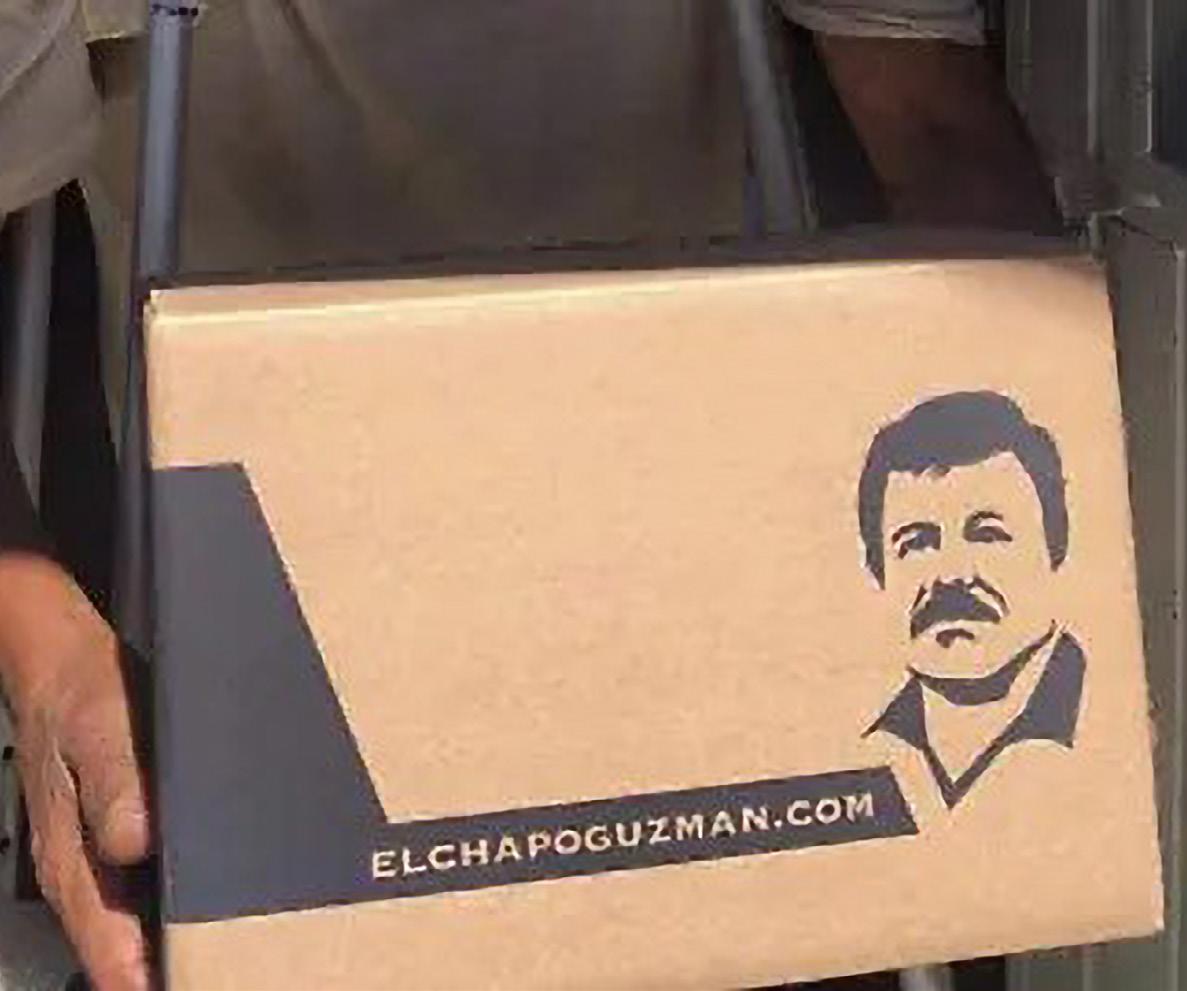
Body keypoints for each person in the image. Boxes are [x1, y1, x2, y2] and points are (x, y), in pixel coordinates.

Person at [4, 2, 1060, 990]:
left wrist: (1048, 578)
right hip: (269, 600)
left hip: (663, 570)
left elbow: (935, 132)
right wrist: (50, 665)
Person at [858, 392, 1084, 808]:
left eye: (987, 534)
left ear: (1055, 547)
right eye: (917, 543)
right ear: (879, 571)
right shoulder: (862, 757)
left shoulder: (1111, 721)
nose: (951, 574)